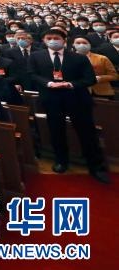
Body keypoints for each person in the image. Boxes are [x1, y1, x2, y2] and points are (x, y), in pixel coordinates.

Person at [28, 28, 110, 183]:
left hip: (77, 98)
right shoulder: (36, 56)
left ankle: (96, 166)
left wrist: (70, 84)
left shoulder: (79, 57)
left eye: (56, 38)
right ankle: (61, 161)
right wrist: (49, 83)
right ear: (44, 41)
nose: (53, 41)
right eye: (49, 38)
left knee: (87, 133)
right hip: (51, 99)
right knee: (56, 132)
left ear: (64, 40)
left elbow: (90, 79)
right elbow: (32, 75)